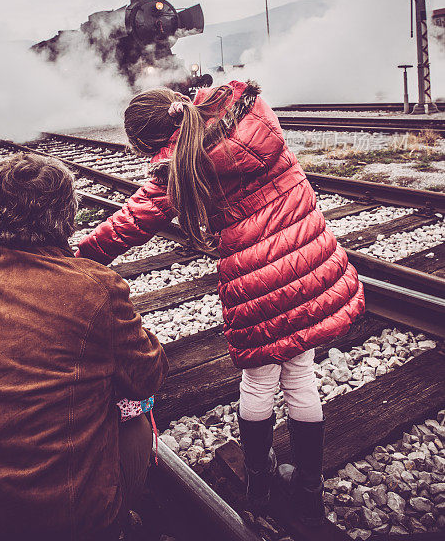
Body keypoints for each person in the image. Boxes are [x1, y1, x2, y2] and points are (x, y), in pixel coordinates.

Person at [76, 81, 365, 524]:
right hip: (309, 256)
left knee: (258, 383)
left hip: (257, 282)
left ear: (152, 142)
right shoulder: (254, 112)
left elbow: (131, 221)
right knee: (301, 375)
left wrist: (79, 256)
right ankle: (309, 489)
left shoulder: (183, 166)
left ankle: (259, 484)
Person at [0, 152, 167, 541]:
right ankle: (113, 523)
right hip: (62, 523)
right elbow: (147, 376)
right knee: (136, 417)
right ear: (67, 216)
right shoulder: (95, 287)